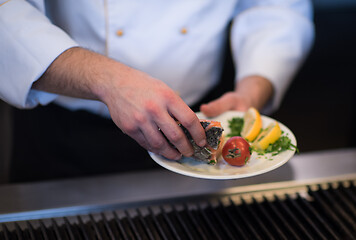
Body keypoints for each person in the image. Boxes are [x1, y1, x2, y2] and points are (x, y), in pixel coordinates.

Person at [0, 0, 314, 182]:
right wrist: (108, 79)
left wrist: (251, 92)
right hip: (67, 138)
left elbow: (275, 8)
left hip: (202, 130)